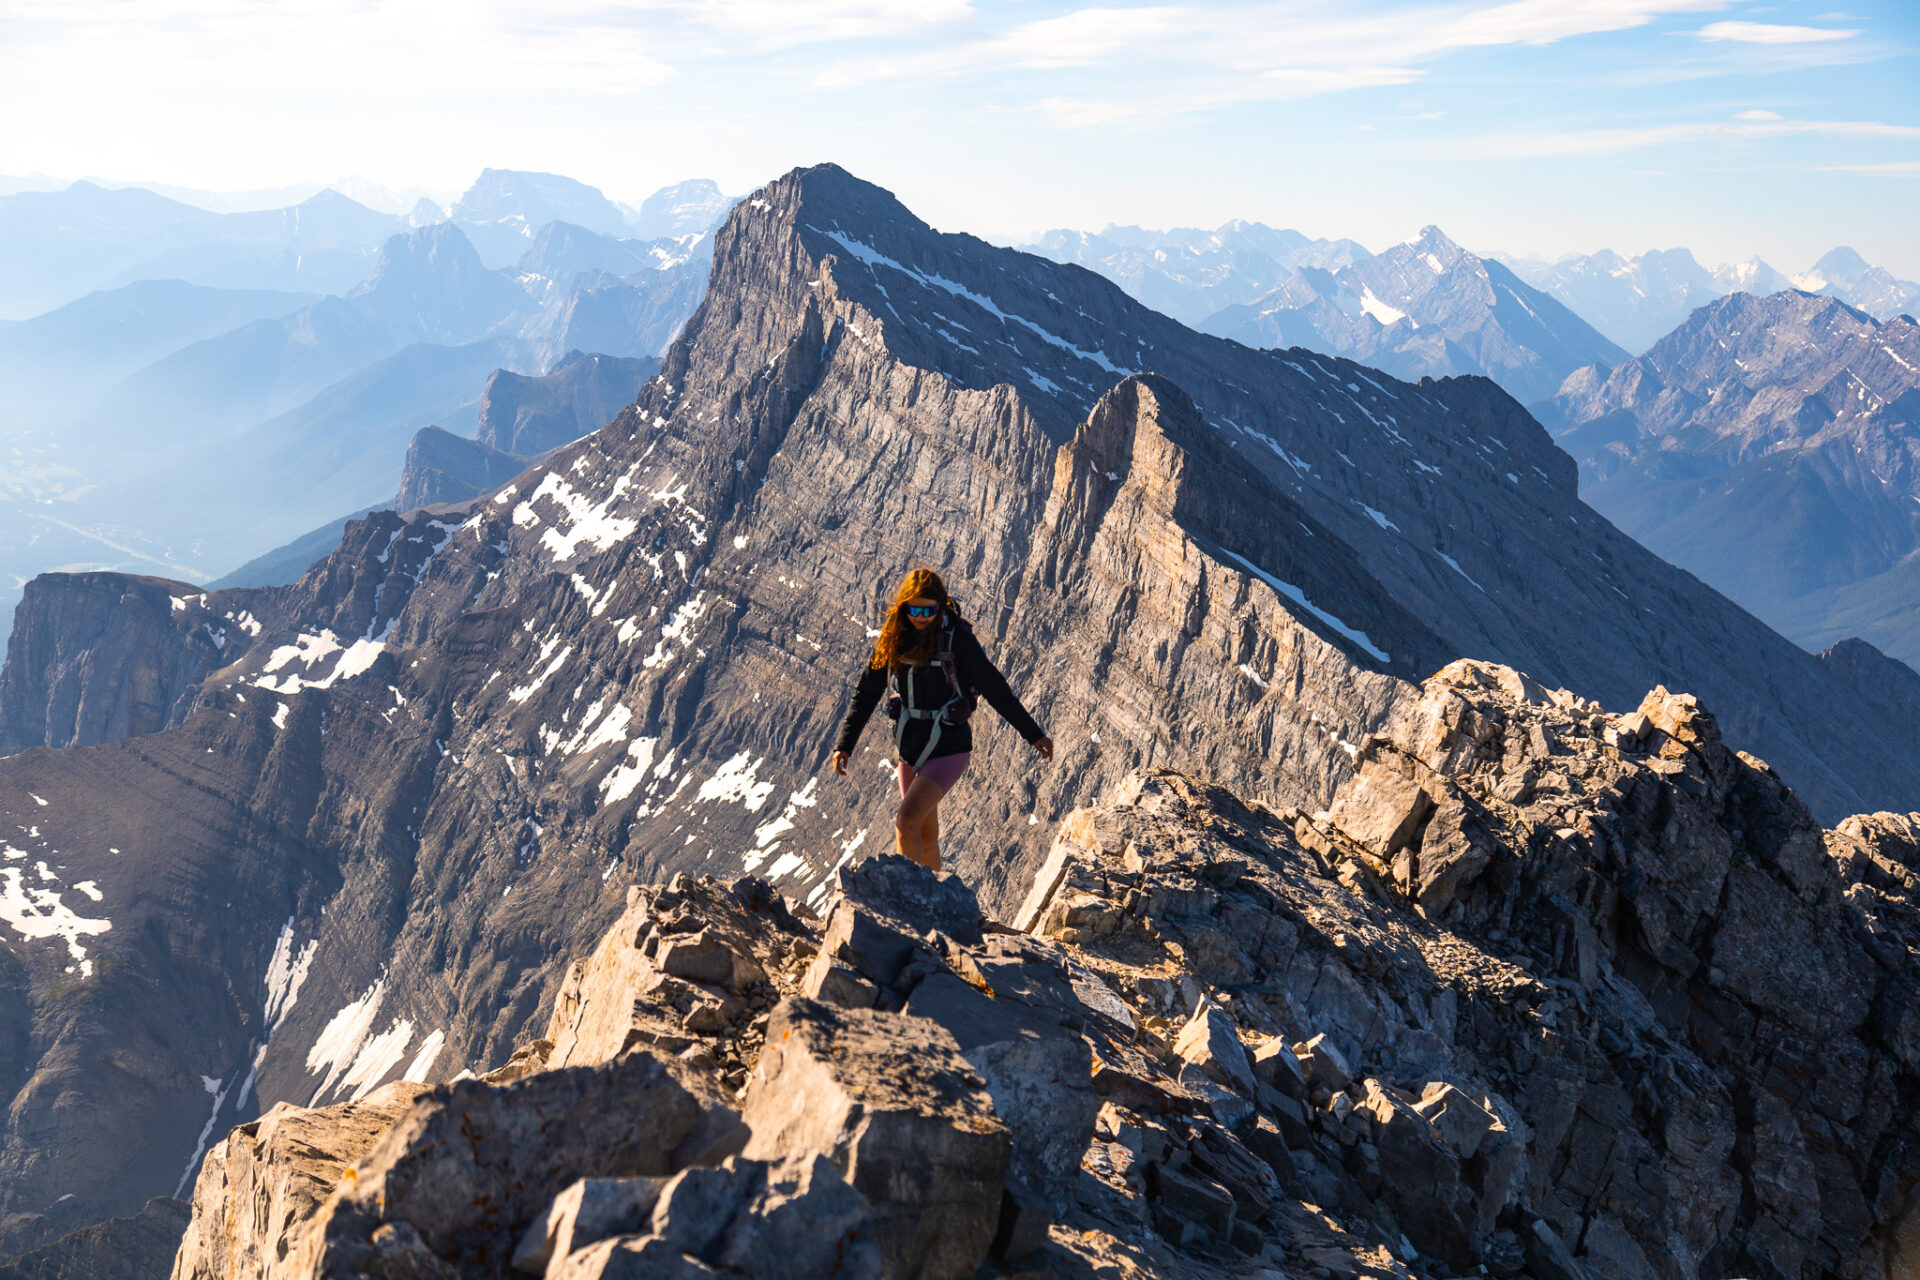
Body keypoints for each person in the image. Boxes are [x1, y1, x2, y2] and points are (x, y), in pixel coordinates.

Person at [830, 568, 1053, 871]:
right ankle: (935, 901)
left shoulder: (958, 640)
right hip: (909, 747)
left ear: (942, 606)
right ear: (903, 607)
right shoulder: (893, 638)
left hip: (949, 747)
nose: (921, 617)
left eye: (929, 610)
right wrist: (845, 744)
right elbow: (867, 693)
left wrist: (1033, 734)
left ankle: (906, 901)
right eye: (914, 609)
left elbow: (995, 689)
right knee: (924, 832)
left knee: (906, 820)